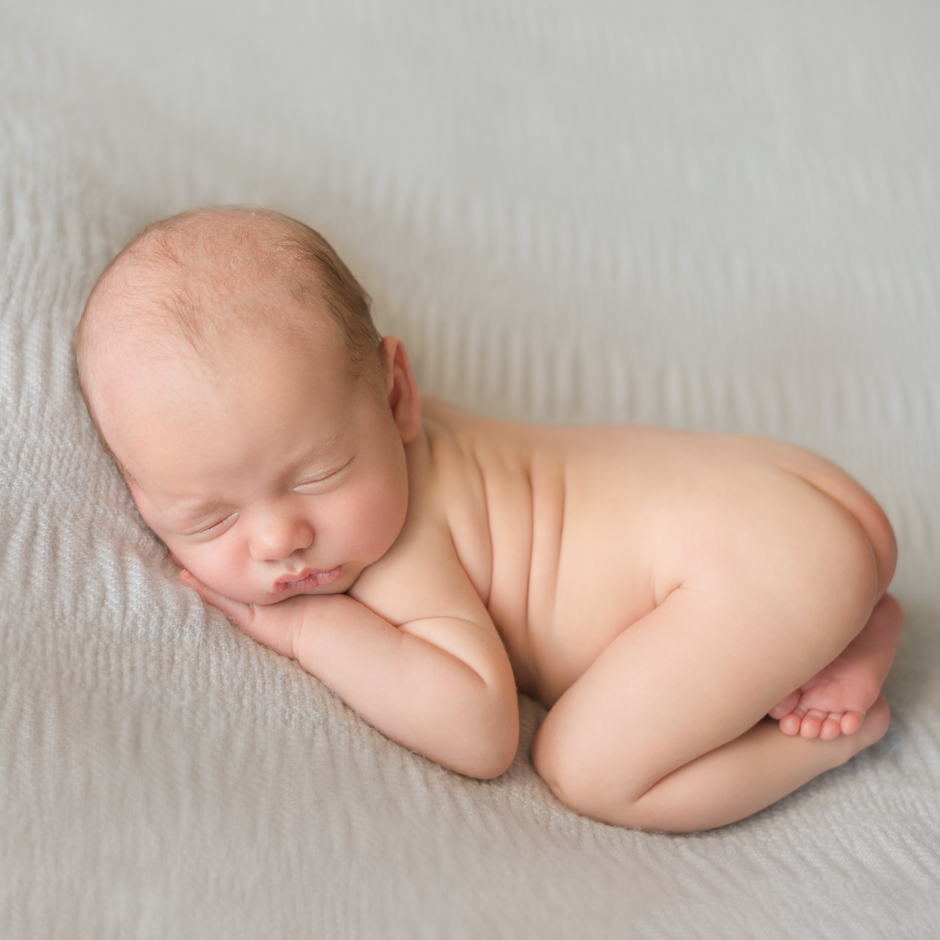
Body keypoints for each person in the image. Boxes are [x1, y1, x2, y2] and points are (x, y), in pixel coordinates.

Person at [74, 206, 903, 832]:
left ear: (397, 395)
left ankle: (838, 731)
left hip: (759, 563)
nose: (278, 539)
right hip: (792, 497)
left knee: (586, 768)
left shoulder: (396, 550)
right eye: (209, 518)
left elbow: (480, 730)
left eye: (321, 474)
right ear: (143, 500)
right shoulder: (363, 425)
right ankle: (850, 624)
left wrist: (306, 633)